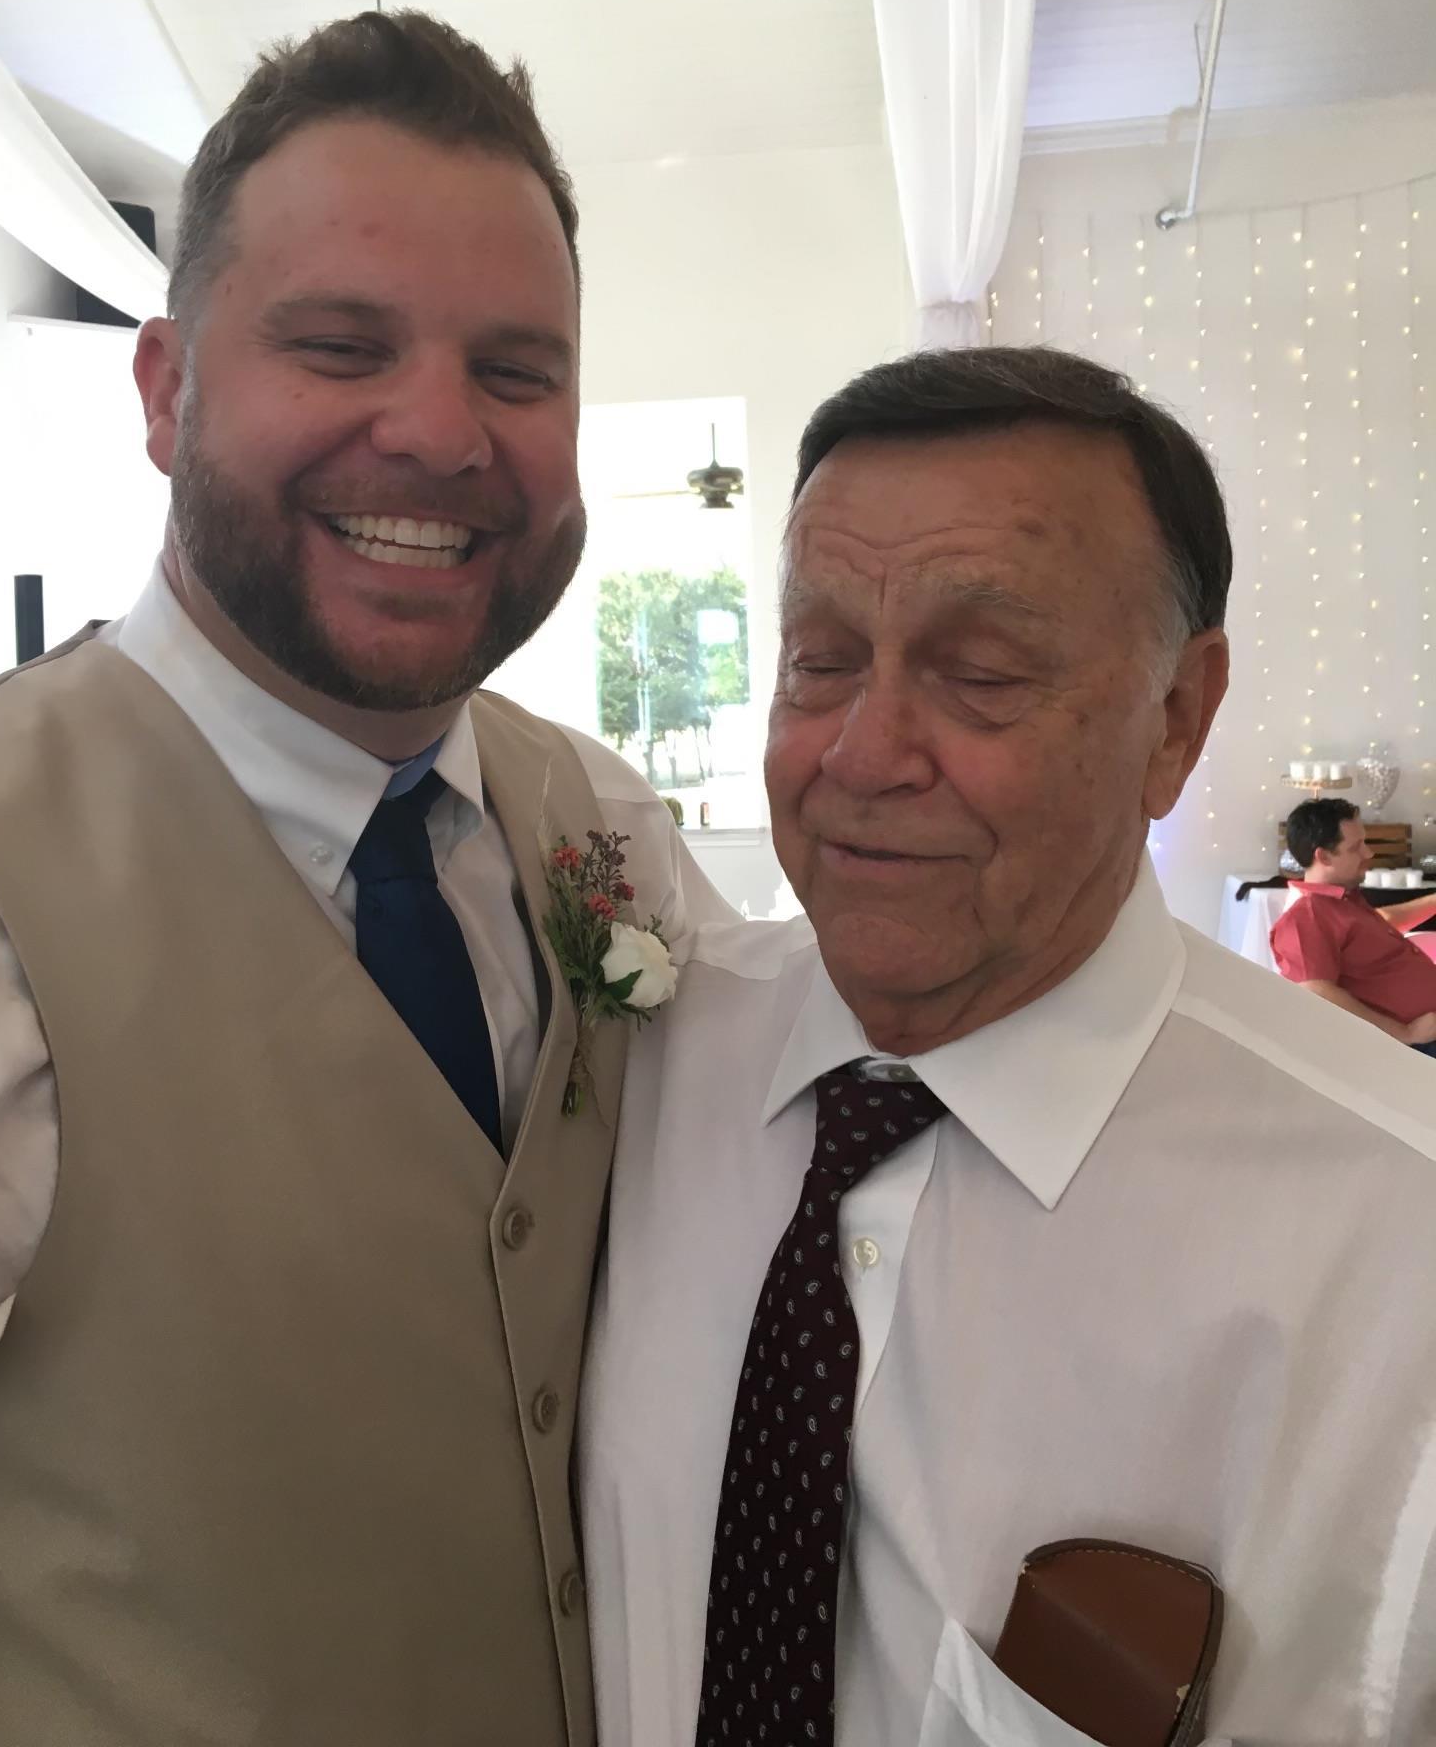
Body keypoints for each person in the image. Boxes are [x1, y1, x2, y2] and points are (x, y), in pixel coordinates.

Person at [0, 9, 731, 1745]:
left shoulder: (596, 820)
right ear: (164, 391)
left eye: (516, 372)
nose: (441, 435)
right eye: (342, 346)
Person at [581, 346, 1436, 1746]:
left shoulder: (1396, 1255)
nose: (862, 752)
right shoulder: (651, 1058)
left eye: (981, 674)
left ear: (1178, 717)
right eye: (819, 663)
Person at [1272, 797, 1436, 1053]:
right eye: (1356, 847)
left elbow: (1383, 924)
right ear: (1323, 856)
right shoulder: (1306, 915)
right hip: (1412, 1044)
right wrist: (1405, 1033)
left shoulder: (1343, 898)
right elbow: (1317, 992)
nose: (1368, 853)